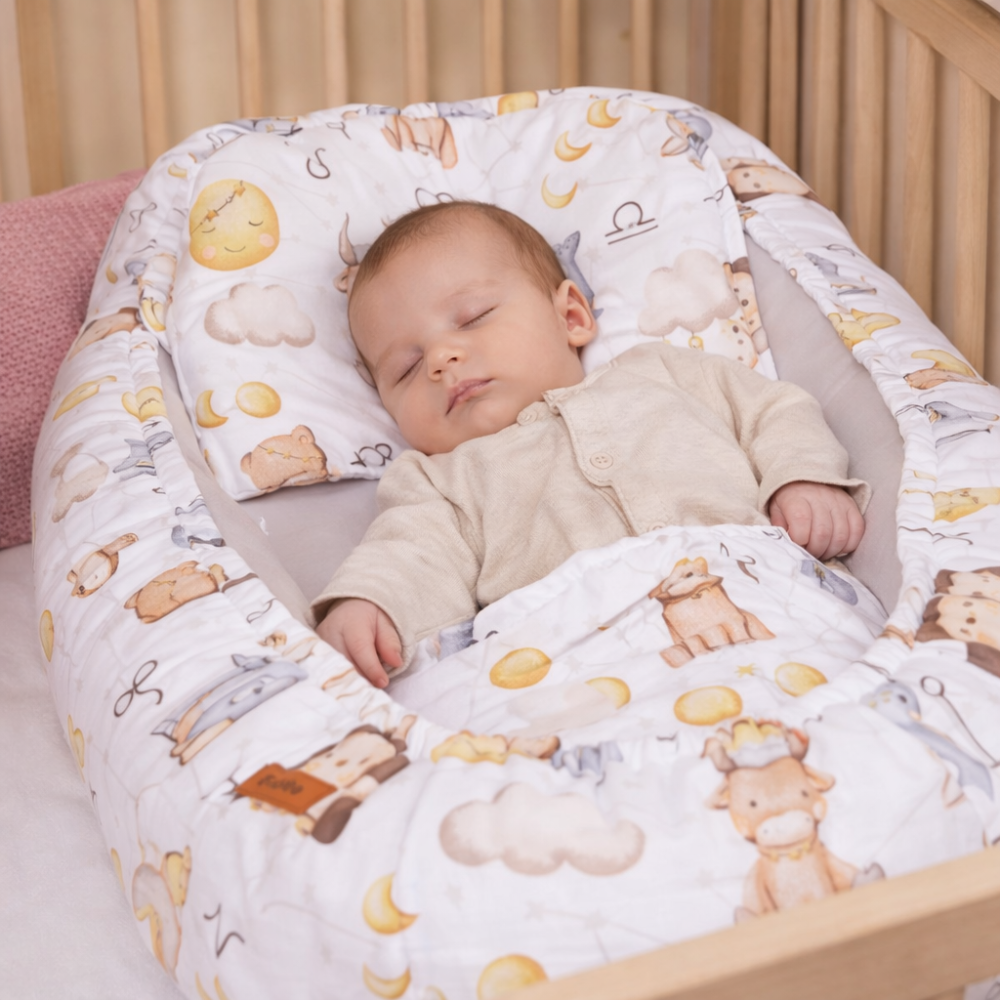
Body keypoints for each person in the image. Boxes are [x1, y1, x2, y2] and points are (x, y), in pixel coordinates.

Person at [314, 201, 868, 687]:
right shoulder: (439, 481)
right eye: (406, 369)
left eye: (474, 317)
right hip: (585, 666)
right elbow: (410, 555)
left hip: (759, 597)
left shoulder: (665, 372)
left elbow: (773, 412)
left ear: (572, 316)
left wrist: (801, 477)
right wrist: (373, 605)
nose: (441, 359)